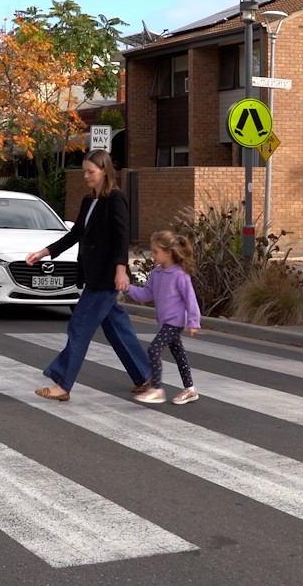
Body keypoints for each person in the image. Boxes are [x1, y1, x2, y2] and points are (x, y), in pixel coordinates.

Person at [25, 150, 151, 400]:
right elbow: (75, 234)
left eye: (90, 172)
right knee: (116, 325)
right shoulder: (89, 201)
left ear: (105, 171)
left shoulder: (116, 199)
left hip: (106, 276)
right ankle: (144, 374)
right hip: (93, 274)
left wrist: (120, 269)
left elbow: (121, 236)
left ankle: (62, 384)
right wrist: (44, 252)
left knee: (79, 326)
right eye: (84, 171)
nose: (86, 176)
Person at [125, 230, 201, 405]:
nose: (153, 255)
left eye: (156, 251)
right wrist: (128, 288)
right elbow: (146, 294)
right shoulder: (157, 274)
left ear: (168, 253)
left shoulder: (180, 275)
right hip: (165, 322)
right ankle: (190, 389)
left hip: (174, 323)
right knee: (179, 354)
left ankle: (156, 389)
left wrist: (193, 322)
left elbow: (191, 299)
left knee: (154, 349)